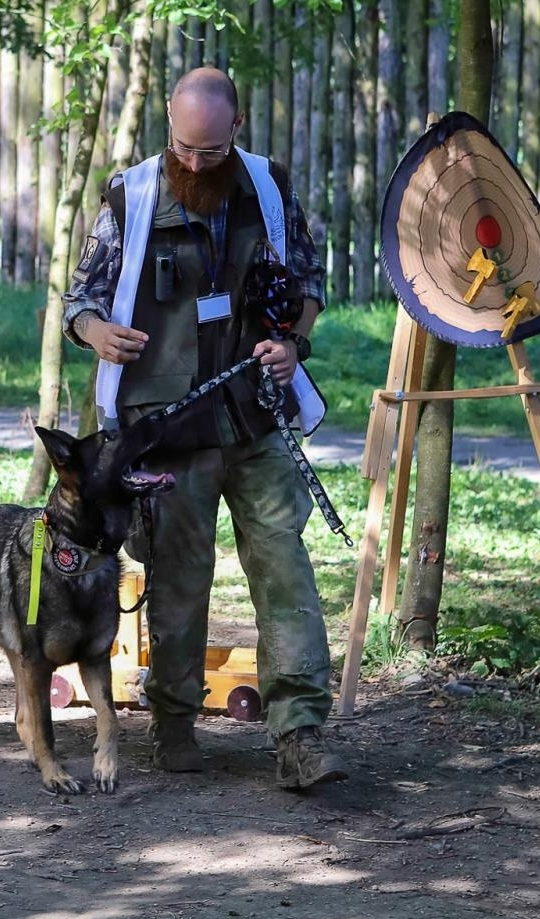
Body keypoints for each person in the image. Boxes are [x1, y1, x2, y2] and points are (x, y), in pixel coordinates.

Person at [61, 66, 349, 790]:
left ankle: (300, 733)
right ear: (168, 118)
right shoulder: (130, 196)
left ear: (237, 127)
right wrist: (96, 333)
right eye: (183, 147)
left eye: (210, 151)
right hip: (166, 426)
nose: (193, 163)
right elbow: (80, 300)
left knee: (283, 564)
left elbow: (308, 283)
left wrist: (294, 342)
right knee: (180, 574)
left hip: (255, 414)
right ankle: (173, 722)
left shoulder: (269, 188)